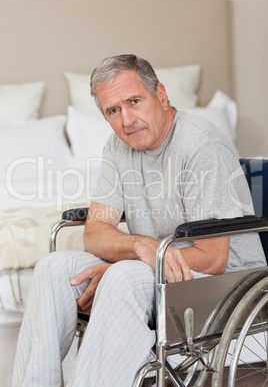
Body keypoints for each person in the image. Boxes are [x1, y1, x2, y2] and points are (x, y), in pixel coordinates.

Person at [13, 54, 266, 387]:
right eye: (113, 111)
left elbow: (214, 258)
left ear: (160, 95)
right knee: (53, 269)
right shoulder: (119, 147)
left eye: (134, 101)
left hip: (225, 285)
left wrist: (140, 260)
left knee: (123, 276)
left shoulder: (201, 145)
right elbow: (95, 233)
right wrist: (139, 246)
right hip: (163, 271)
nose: (127, 120)